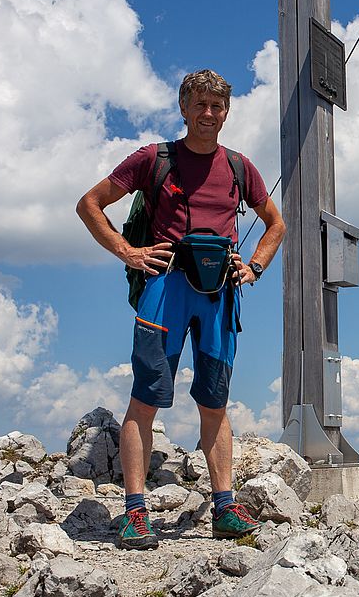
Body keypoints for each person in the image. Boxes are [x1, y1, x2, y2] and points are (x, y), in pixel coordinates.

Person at [76, 69, 285, 549]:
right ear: (184, 108)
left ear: (226, 112)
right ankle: (135, 513)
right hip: (165, 289)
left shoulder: (239, 167)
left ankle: (225, 508)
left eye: (218, 106)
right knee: (145, 399)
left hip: (217, 295)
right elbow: (90, 203)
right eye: (201, 105)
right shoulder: (155, 159)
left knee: (215, 403)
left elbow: (276, 223)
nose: (209, 114)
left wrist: (253, 267)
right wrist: (128, 253)